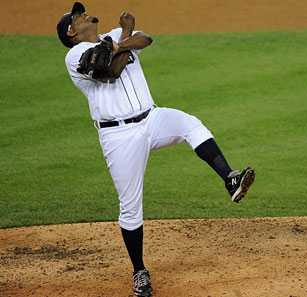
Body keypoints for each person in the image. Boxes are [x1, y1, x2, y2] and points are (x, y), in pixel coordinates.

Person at [56, 2, 255, 296]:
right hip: (118, 135)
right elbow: (108, 70)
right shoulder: (74, 56)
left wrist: (119, 42)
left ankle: (230, 179)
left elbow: (145, 39)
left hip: (152, 118)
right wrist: (125, 35)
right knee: (131, 207)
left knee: (191, 125)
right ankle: (139, 272)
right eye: (78, 15)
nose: (85, 13)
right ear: (72, 30)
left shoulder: (110, 35)